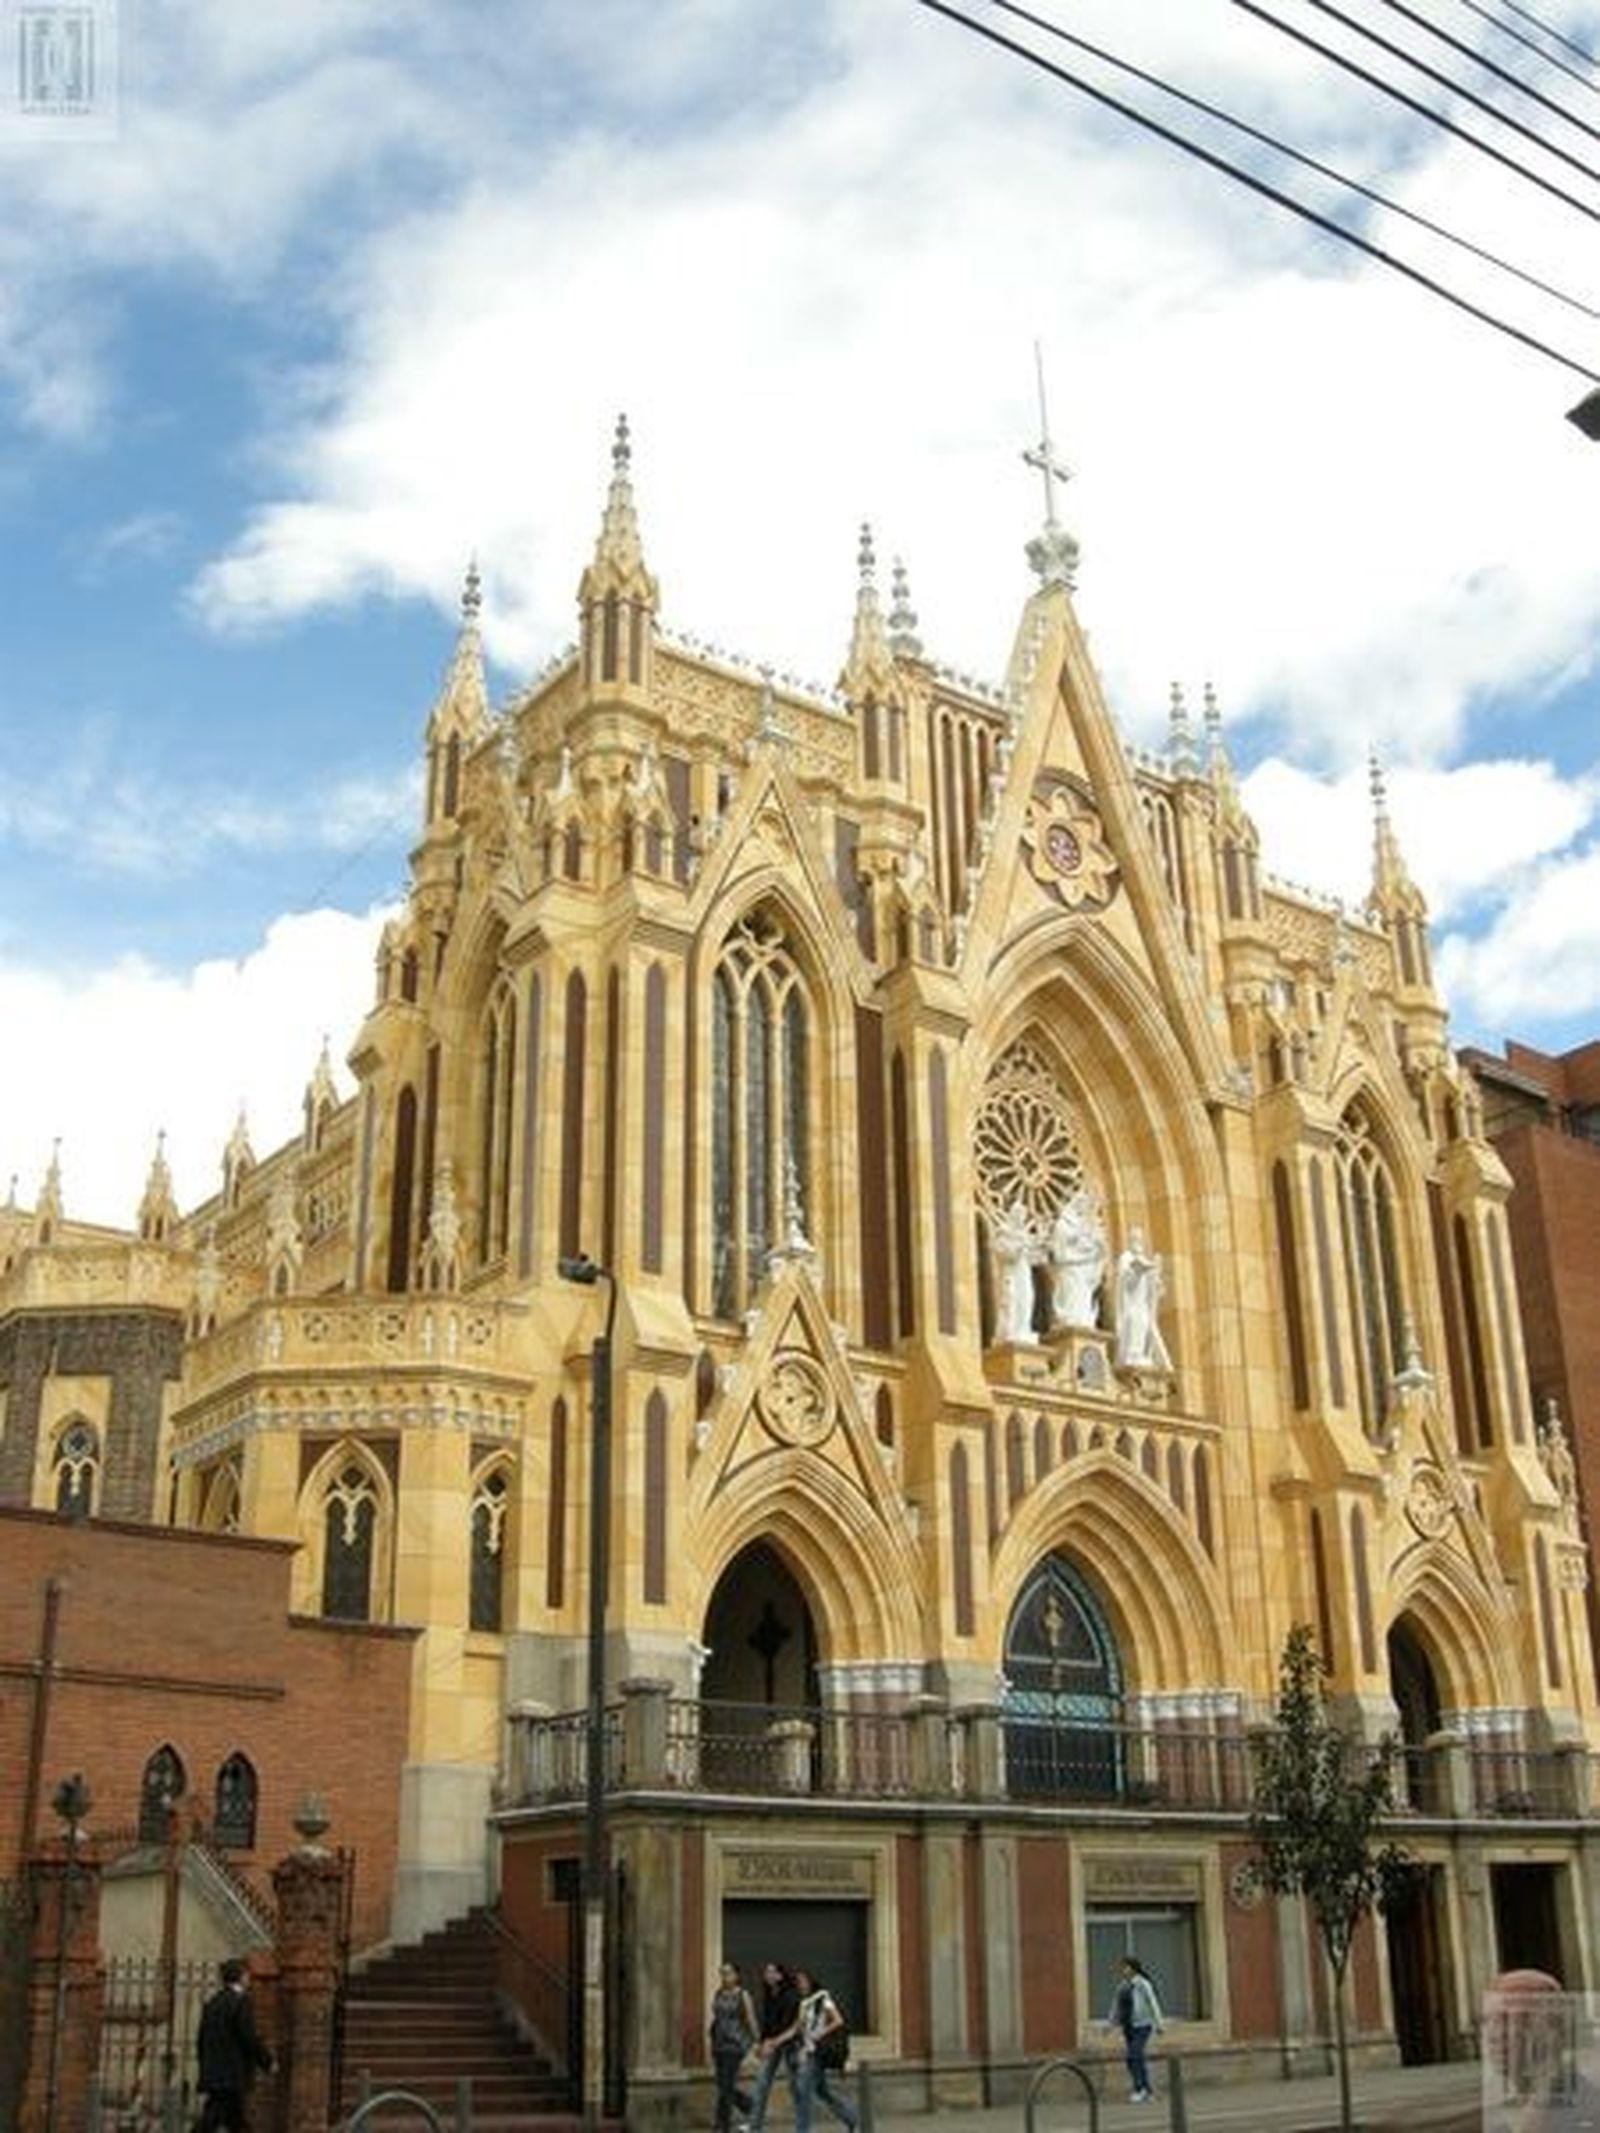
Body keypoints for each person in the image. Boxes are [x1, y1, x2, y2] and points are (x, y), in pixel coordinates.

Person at [195, 1955, 273, 2132]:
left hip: (214, 2071)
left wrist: (205, 2064)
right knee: (213, 2118)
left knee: (234, 2120)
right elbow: (248, 2037)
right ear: (241, 1976)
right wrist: (267, 2061)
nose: (249, 1978)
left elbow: (200, 2040)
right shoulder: (241, 2002)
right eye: (247, 1974)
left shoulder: (212, 2003)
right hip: (232, 2073)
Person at [790, 1967, 856, 2133]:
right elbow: (798, 2029)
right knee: (822, 2091)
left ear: (811, 1981)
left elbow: (838, 2020)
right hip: (808, 2050)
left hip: (818, 2051)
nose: (801, 1985)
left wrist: (818, 2035)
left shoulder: (822, 1998)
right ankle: (851, 2118)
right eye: (798, 1982)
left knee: (802, 2090)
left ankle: (802, 2130)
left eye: (803, 1981)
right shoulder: (803, 2004)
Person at [746, 1960, 799, 2133]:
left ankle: (803, 2125)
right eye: (766, 1971)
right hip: (773, 2044)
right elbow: (767, 2023)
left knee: (795, 2087)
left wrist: (771, 2043)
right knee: (762, 2083)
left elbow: (787, 2025)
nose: (766, 1974)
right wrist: (761, 2044)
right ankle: (754, 2126)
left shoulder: (790, 1995)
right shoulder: (769, 1993)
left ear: (779, 1975)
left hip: (791, 2044)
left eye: (771, 1972)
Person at [708, 1959, 758, 2133]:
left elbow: (751, 2019)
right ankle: (749, 2105)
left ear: (736, 1976)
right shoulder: (719, 1993)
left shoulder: (742, 1994)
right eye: (722, 1973)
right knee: (723, 2085)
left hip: (735, 2044)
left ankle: (722, 2125)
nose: (724, 1976)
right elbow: (717, 2016)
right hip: (718, 2044)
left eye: (728, 1973)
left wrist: (757, 2042)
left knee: (726, 2085)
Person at [1106, 1954, 1163, 2104]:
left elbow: (1153, 2002)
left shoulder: (1143, 1984)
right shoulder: (1123, 1986)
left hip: (1143, 2025)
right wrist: (1110, 2024)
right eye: (1122, 1967)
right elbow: (1116, 2006)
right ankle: (1147, 2090)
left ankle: (1139, 2089)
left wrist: (1159, 2024)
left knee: (1134, 2055)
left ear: (1133, 1968)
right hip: (1128, 2026)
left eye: (1125, 1967)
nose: (1122, 1970)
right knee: (1134, 2059)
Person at [1113, 1229, 1171, 1371]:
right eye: (1134, 1239)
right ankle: (1132, 1355)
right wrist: (1136, 1273)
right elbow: (1124, 1282)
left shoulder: (1144, 1259)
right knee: (1133, 1322)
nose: (1137, 1242)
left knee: (1144, 1323)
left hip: (1142, 1303)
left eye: (1139, 1239)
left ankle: (1142, 1354)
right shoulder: (1125, 1258)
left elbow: (1153, 1285)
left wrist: (1157, 1284)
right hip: (1131, 1302)